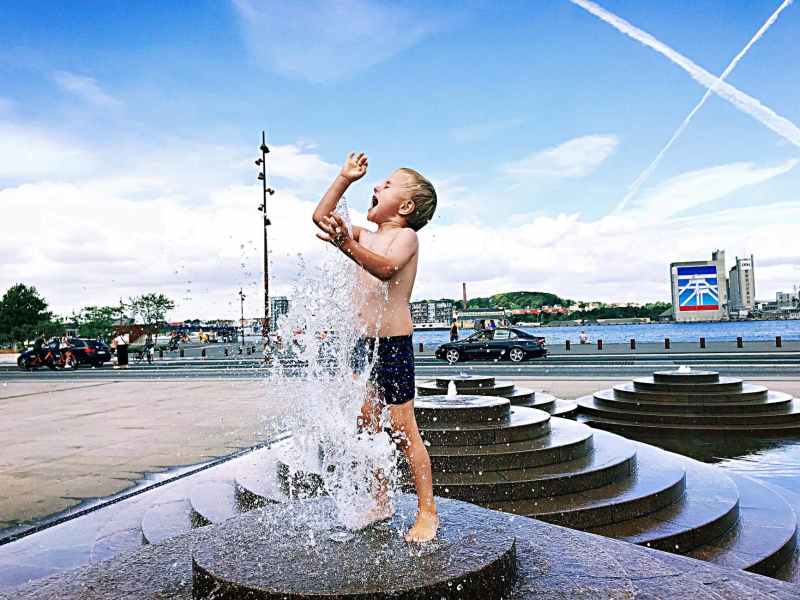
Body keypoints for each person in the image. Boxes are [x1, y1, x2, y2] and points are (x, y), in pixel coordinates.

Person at [313, 151, 438, 543]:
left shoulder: (405, 237)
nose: (376, 185)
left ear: (404, 205)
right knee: (366, 424)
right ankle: (380, 498)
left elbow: (383, 270)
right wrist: (343, 179)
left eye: (385, 184)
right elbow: (321, 218)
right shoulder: (365, 236)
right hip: (361, 345)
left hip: (393, 346)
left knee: (403, 429)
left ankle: (427, 511)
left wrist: (343, 245)